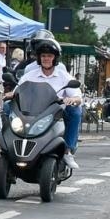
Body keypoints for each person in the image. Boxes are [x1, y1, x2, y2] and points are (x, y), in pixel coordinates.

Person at [16, 32, 83, 171]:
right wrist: (10, 94)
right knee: (6, 107)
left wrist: (71, 99)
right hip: (32, 110)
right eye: (43, 55)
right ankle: (13, 146)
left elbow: (77, 96)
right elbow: (19, 89)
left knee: (75, 111)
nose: (46, 58)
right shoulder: (29, 73)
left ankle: (67, 151)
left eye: (50, 56)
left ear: (55, 58)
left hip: (55, 111)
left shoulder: (63, 73)